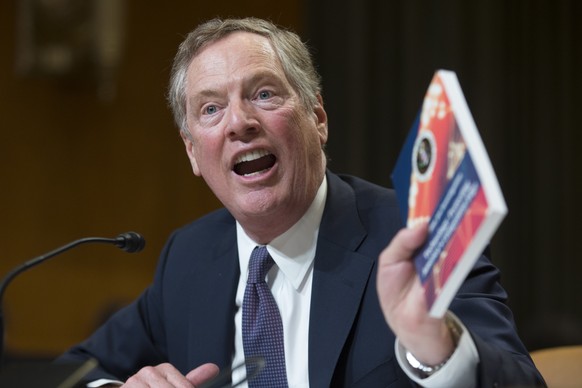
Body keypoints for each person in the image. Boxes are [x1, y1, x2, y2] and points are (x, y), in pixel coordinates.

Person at [58, 17, 545, 387]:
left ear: (318, 118)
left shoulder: (413, 230)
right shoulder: (188, 257)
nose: (238, 122)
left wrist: (437, 347)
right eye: (211, 108)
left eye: (264, 94)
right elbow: (71, 371)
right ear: (192, 152)